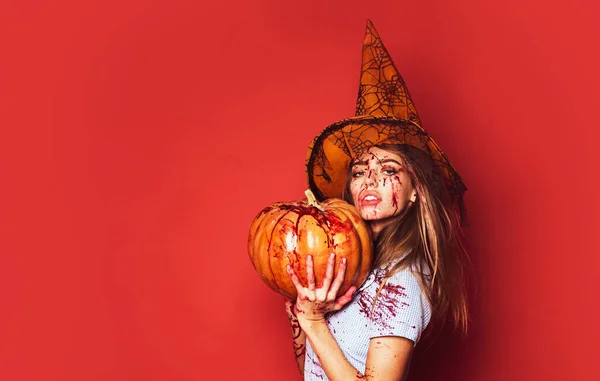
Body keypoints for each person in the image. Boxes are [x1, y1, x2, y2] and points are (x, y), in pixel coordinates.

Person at [284, 20, 469, 380]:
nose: (369, 179)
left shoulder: (403, 281)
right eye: (358, 171)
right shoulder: (353, 266)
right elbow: (315, 372)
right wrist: (300, 314)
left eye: (388, 170)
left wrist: (312, 320)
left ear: (416, 190)